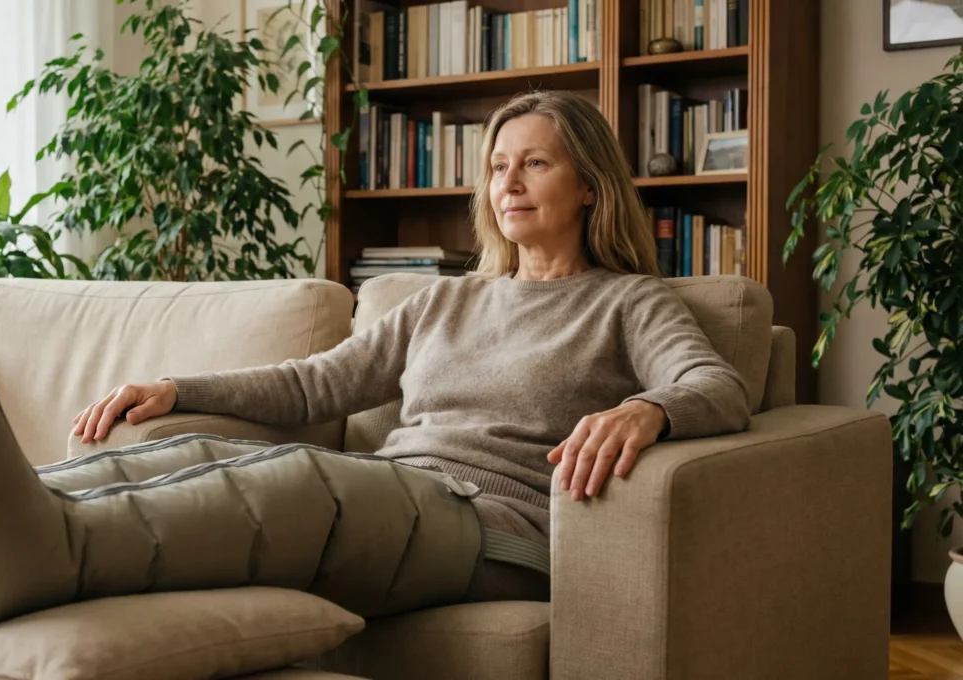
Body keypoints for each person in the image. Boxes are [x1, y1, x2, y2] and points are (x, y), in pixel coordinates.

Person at [70, 90, 752, 602]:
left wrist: (648, 410)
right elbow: (314, 384)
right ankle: (27, 522)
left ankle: (61, 550)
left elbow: (718, 387)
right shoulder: (448, 299)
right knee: (197, 455)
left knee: (299, 481)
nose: (509, 184)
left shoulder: (628, 301)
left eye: (535, 164)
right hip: (394, 495)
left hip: (500, 529)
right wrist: (179, 389)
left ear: (589, 189)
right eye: (498, 167)